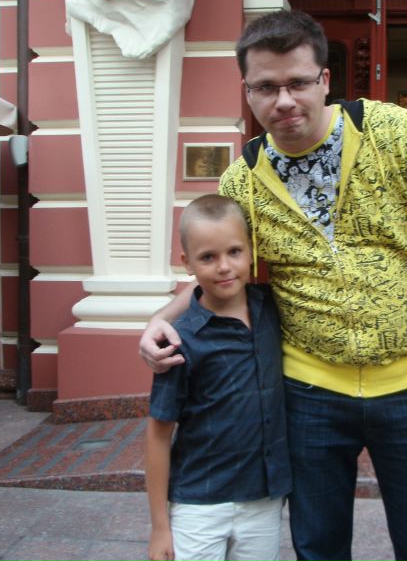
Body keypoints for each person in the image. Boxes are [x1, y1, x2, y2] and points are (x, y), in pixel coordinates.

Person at [140, 10, 407, 561]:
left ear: (325, 80)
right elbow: (220, 273)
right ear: (247, 92)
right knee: (318, 547)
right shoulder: (243, 181)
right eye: (266, 87)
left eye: (298, 82)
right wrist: (160, 321)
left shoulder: (391, 131)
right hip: (309, 394)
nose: (284, 101)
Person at [145, 194, 291, 561]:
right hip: (199, 504)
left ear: (251, 251)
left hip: (263, 499)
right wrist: (160, 526)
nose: (224, 267)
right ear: (187, 263)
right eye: (208, 257)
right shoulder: (180, 340)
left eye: (234, 252)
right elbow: (158, 434)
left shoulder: (273, 309)